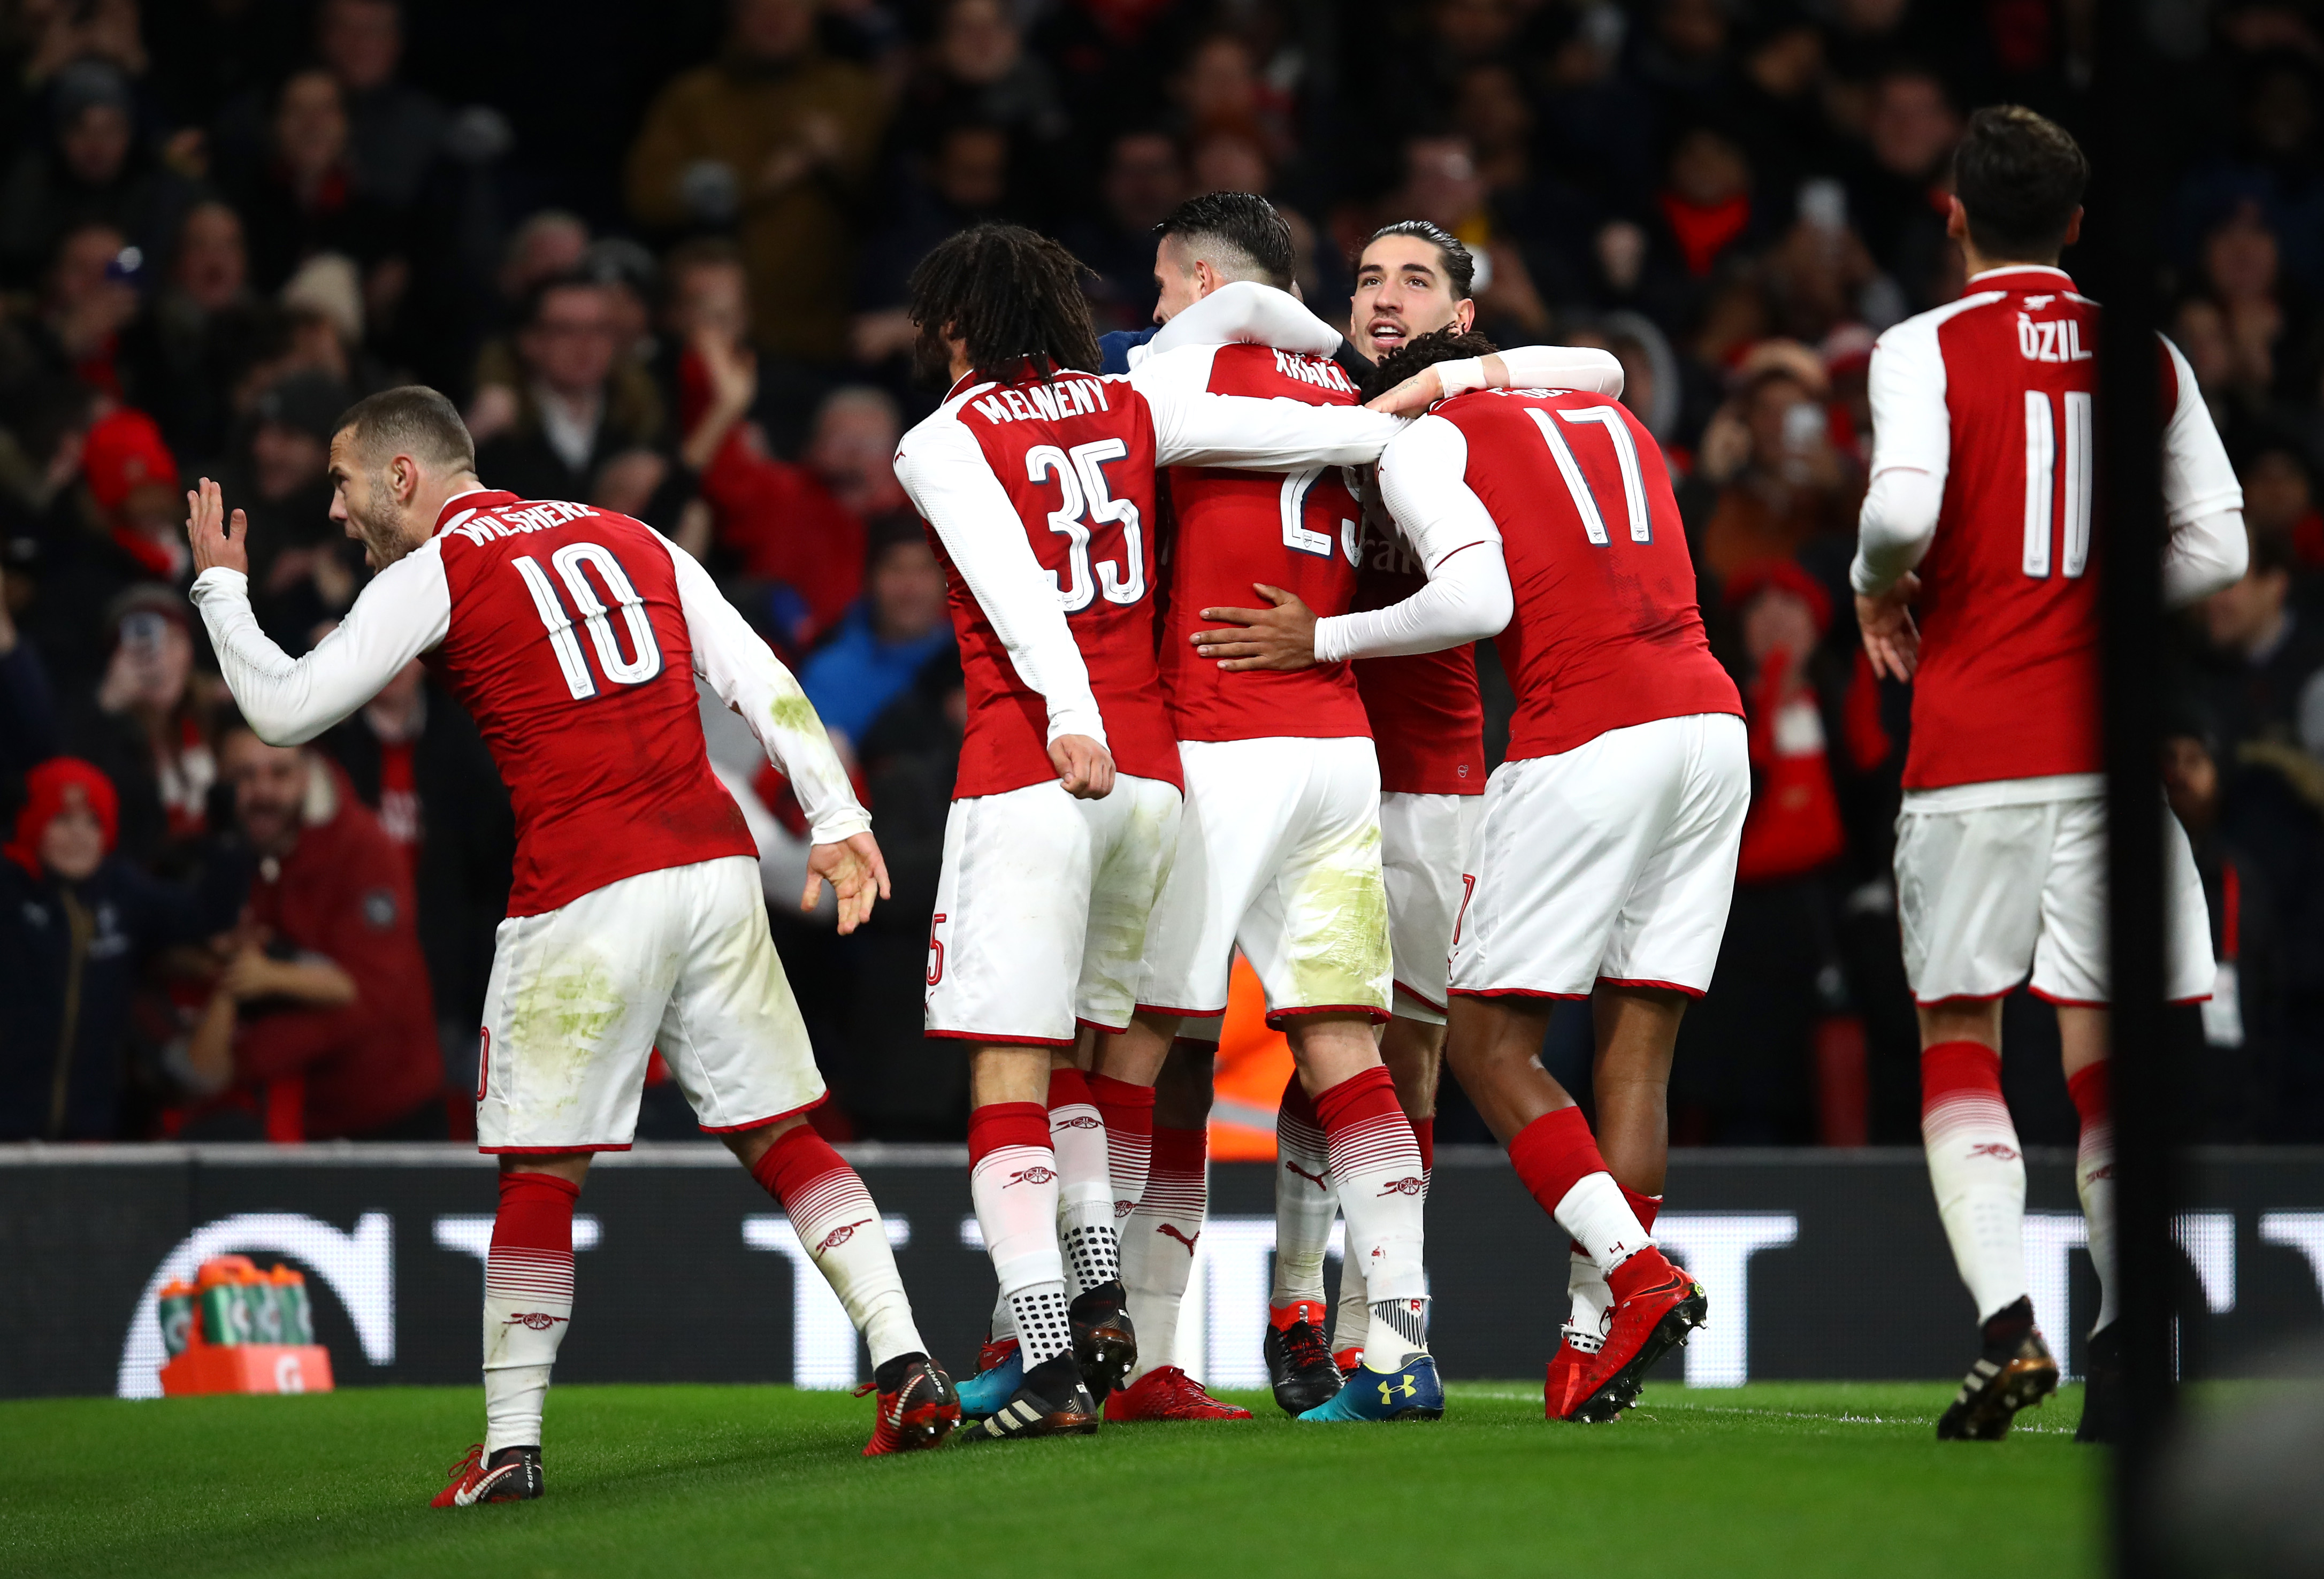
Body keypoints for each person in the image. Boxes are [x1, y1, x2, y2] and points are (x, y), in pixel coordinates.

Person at [184, 385, 960, 1496]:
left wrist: (221, 590)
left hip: (587, 886)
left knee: (542, 1170)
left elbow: (286, 710)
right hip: (715, 865)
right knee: (781, 1134)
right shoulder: (628, 533)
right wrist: (836, 818)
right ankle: (906, 1360)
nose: (341, 514)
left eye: (346, 486)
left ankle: (510, 1446)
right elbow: (759, 681)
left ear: (406, 477)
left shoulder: (439, 568)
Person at [889, 222, 1402, 1439]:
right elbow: (1320, 425)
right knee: (1108, 1057)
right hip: (1157, 777)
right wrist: (1408, 401)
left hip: (1038, 768)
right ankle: (1103, 1306)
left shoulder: (941, 437)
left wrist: (1065, 714)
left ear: (956, 325)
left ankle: (1053, 1345)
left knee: (1010, 1069)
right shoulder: (1130, 408)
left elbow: (1011, 589)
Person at [1847, 106, 2247, 1443]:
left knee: (1959, 1032)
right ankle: (2134, 1334)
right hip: (2103, 762)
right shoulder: (2142, 353)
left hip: (1970, 750)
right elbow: (2222, 546)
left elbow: (1901, 511)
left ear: (1951, 213)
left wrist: (1874, 590)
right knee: (2104, 1055)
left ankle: (2007, 1326)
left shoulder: (1923, 345)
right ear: (2075, 225)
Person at [1342, 323, 1747, 1425]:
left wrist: (1326, 639)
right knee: (1640, 1045)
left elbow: (1477, 604)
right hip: (1713, 721)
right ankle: (1586, 1338)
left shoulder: (1430, 440)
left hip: (1590, 732)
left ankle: (1637, 1273)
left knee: (1484, 1042)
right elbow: (1608, 363)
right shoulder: (1604, 410)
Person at [178, 724, 442, 1141]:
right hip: (290, 1118)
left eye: (279, 774)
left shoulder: (363, 849)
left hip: (391, 1107)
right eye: (244, 776)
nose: (262, 791)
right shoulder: (212, 854)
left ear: (306, 773)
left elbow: (370, 996)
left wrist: (248, 1055)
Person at [0, 757, 238, 1139]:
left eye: (93, 822)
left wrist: (227, 842)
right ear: (32, 824)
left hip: (90, 1133)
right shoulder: (9, 889)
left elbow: (205, 917)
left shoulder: (124, 893)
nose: (79, 835)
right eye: (61, 819)